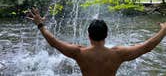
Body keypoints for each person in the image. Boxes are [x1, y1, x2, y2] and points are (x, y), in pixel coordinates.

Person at [27, 8, 166, 76]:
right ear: (106, 35)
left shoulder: (79, 53)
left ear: (89, 35)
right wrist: (163, 30)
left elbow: (54, 42)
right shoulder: (118, 54)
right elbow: (147, 47)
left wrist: (40, 25)